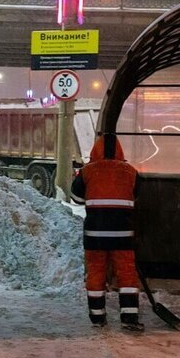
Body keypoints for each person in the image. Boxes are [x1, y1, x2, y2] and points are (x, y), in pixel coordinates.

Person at [71, 133, 142, 332]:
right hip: (123, 235)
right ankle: (129, 318)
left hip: (95, 236)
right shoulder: (131, 172)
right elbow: (135, 196)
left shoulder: (87, 172)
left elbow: (75, 198)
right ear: (120, 150)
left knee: (96, 273)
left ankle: (98, 317)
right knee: (126, 274)